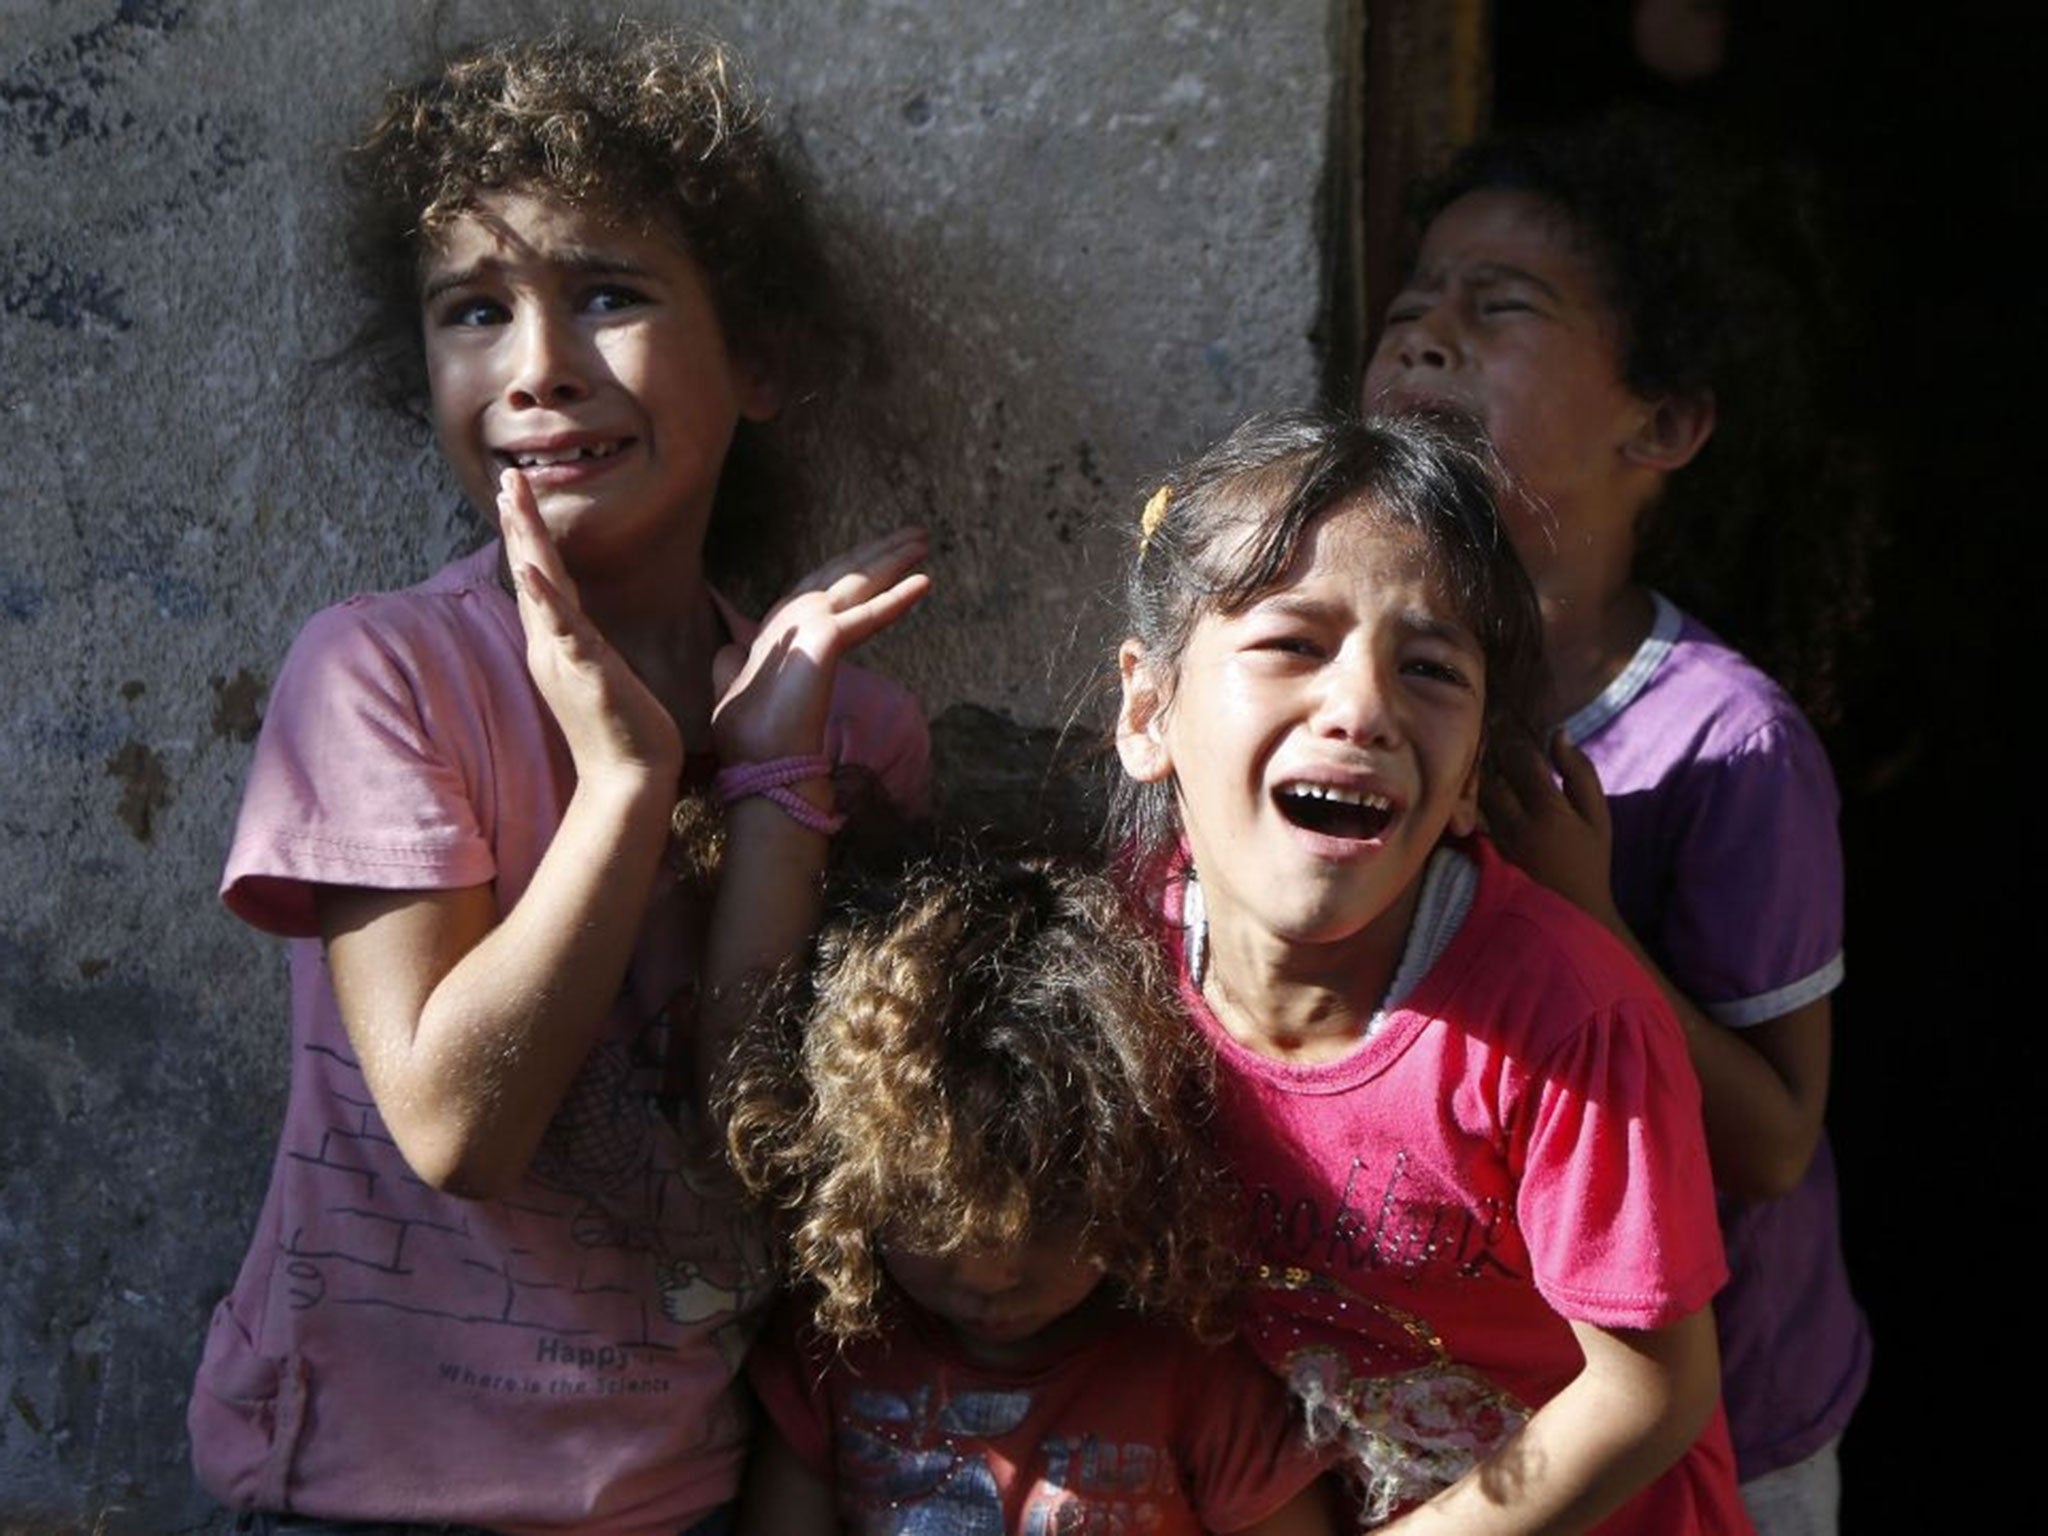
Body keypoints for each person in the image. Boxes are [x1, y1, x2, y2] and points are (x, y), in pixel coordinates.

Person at [186, 27, 931, 1536]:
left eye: (609, 294)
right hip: (354, 1494)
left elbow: (771, 1143)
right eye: (475, 311)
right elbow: (459, 1129)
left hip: (676, 1493)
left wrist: (777, 766)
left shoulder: (853, 732)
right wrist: (629, 783)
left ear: (761, 357)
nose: (538, 369)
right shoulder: (380, 676)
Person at [1360, 107, 1874, 1536]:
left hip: (1725, 1432)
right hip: (1492, 1434)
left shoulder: (1723, 744)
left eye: (1497, 308)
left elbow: (1771, 1144)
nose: (1425, 335)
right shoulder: (1359, 699)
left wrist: (1577, 907)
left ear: (1663, 423)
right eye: (1409, 307)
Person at [1111, 408, 1752, 1534]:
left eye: (1427, 669)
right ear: (1146, 709)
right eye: (1291, 645)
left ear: (1466, 785)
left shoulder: (1565, 1020)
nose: (1360, 708)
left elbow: (1648, 1387)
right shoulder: (1112, 968)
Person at [721, 841, 1340, 1536]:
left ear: (1135, 1179)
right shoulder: (835, 1352)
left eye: (1048, 1211)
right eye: (933, 1210)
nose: (990, 1273)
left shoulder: (1200, 1374)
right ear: (860, 1180)